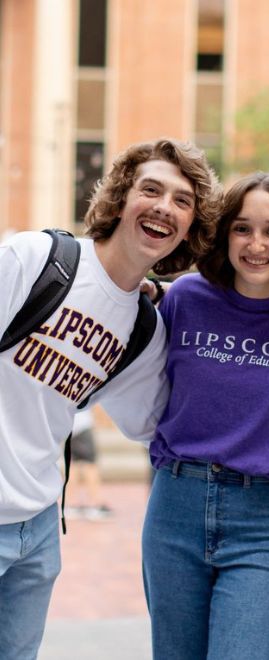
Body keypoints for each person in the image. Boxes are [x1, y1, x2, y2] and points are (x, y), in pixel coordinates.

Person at [0, 137, 220, 660]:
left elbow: (157, 424)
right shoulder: (34, 260)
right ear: (122, 198)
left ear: (189, 227)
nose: (165, 206)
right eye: (151, 189)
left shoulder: (145, 330)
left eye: (183, 201)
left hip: (38, 530)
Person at [142, 172, 269, 660]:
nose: (256, 244)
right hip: (175, 508)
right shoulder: (184, 299)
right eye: (242, 228)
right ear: (224, 234)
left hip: (263, 520)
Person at [66, 409, 113, 520]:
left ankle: (71, 505)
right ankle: (95, 505)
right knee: (90, 465)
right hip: (82, 425)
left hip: (72, 426)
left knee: (75, 465)